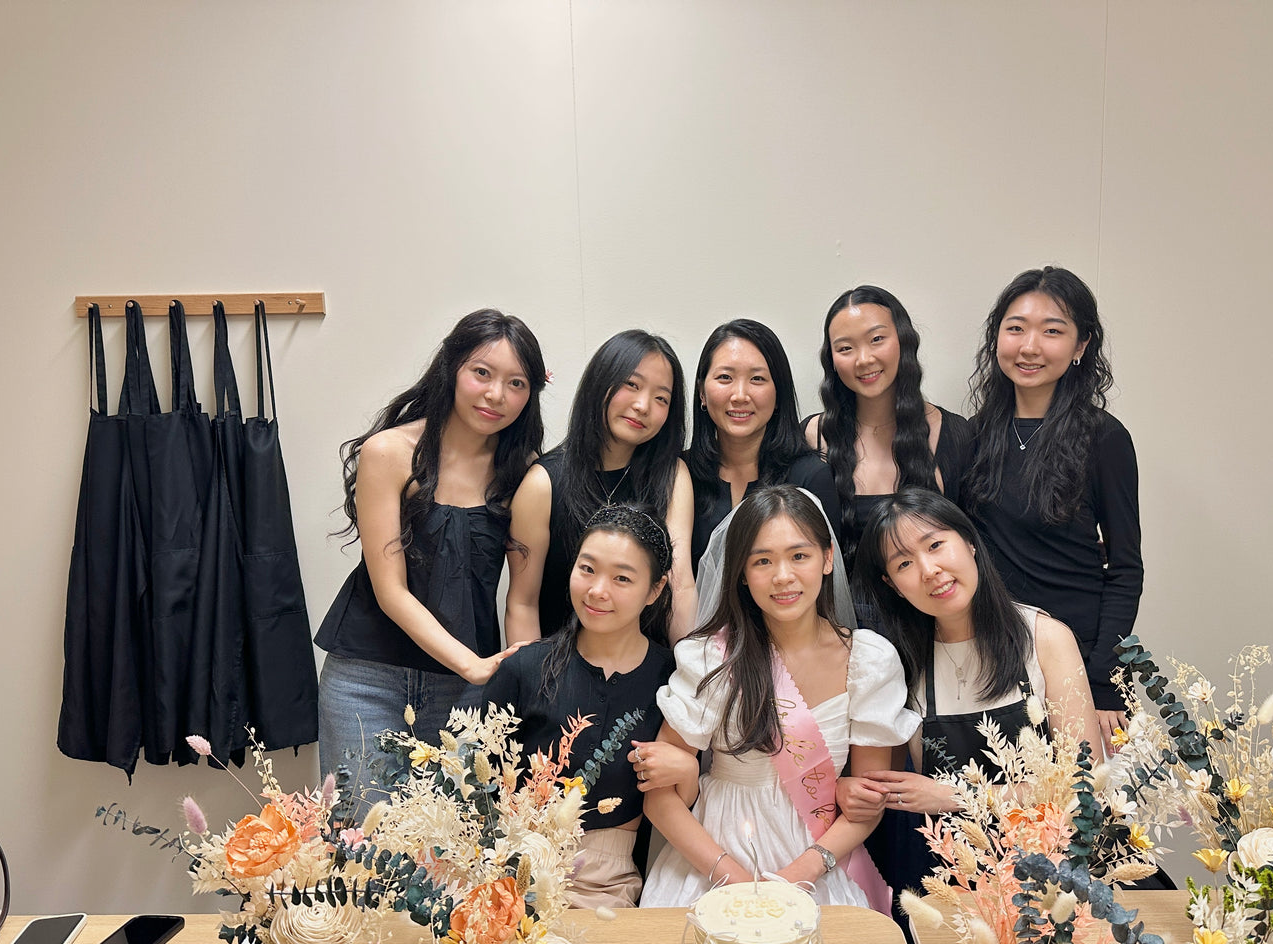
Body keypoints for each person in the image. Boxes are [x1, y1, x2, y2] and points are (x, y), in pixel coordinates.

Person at [638, 485, 916, 910]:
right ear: (742, 574)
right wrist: (731, 879)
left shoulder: (869, 661)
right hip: (712, 858)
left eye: (798, 555)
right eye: (762, 561)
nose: (782, 576)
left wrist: (798, 875)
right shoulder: (712, 656)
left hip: (819, 860)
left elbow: (867, 800)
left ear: (827, 559)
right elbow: (659, 797)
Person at [314, 309, 544, 795]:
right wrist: (473, 666)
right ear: (452, 368)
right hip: (366, 678)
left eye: (517, 383)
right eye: (482, 373)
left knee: (448, 857)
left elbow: (522, 600)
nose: (496, 395)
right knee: (360, 853)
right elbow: (390, 590)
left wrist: (527, 687)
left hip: (464, 690)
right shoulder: (389, 452)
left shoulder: (525, 472)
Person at [839, 487, 1097, 902]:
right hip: (956, 877)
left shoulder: (1045, 638)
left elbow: (1083, 784)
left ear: (970, 542)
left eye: (936, 545)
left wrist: (954, 796)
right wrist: (849, 790)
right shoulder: (901, 664)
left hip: (1062, 870)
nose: (929, 570)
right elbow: (879, 780)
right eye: (905, 563)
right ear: (892, 584)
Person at [472, 504, 690, 908]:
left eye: (622, 578)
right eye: (587, 569)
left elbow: (684, 797)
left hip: (610, 878)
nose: (597, 591)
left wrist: (689, 768)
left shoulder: (673, 678)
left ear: (655, 590)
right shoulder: (523, 668)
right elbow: (477, 785)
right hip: (512, 867)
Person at [960, 267, 1142, 739]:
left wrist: (1104, 685)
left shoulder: (1103, 438)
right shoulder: (973, 435)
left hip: (1077, 663)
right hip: (993, 660)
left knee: (1077, 806)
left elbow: (1124, 568)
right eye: (1016, 327)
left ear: (1081, 346)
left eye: (1053, 331)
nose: (1030, 346)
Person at [505, 330, 697, 644]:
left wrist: (689, 675)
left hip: (650, 674)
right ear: (600, 383)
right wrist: (534, 686)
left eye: (661, 398)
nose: (642, 405)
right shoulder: (543, 484)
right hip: (562, 671)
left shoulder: (672, 475)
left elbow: (680, 584)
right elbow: (522, 603)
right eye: (631, 385)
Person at [804, 285, 971, 566]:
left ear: (904, 340)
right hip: (836, 610)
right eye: (845, 348)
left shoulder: (955, 434)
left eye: (877, 339)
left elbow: (973, 545)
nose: (864, 359)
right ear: (831, 360)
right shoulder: (812, 437)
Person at [686, 318, 841, 566]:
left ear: (779, 394)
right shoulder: (679, 474)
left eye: (757, 379)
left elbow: (824, 583)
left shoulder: (810, 478)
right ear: (702, 393)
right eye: (725, 377)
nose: (740, 395)